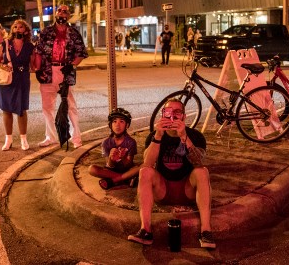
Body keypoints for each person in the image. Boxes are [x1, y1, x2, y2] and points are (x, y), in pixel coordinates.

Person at [127, 98, 215, 249]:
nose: (173, 116)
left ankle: (206, 231)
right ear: (163, 114)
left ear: (184, 117)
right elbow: (147, 163)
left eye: (177, 112)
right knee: (145, 172)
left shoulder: (195, 136)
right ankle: (145, 231)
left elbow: (199, 163)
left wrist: (184, 137)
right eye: (168, 112)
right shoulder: (155, 135)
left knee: (202, 172)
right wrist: (158, 136)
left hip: (187, 190)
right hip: (163, 190)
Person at [34, 4, 89, 149]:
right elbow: (38, 51)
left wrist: (72, 65)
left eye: (65, 12)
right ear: (56, 14)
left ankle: (76, 137)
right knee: (47, 106)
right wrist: (38, 69)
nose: (62, 14)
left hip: (65, 70)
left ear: (68, 15)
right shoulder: (46, 32)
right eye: (59, 11)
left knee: (70, 106)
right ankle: (51, 137)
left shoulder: (74, 33)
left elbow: (81, 53)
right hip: (47, 70)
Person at [0, 19, 36, 151]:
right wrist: (4, 67)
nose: (17, 29)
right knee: (7, 109)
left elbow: (33, 66)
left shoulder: (30, 46)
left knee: (22, 109)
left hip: (22, 78)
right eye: (15, 27)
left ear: (26, 30)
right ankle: (8, 139)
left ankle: (23, 139)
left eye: (21, 27)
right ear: (12, 30)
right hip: (8, 79)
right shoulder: (6, 43)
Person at [88, 108, 139, 189]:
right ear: (110, 125)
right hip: (111, 171)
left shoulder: (131, 142)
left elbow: (128, 164)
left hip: (127, 170)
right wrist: (111, 159)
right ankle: (125, 179)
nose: (117, 125)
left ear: (127, 125)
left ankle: (113, 181)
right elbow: (109, 166)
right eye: (114, 121)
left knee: (140, 168)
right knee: (92, 169)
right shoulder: (106, 142)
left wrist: (123, 158)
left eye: (121, 121)